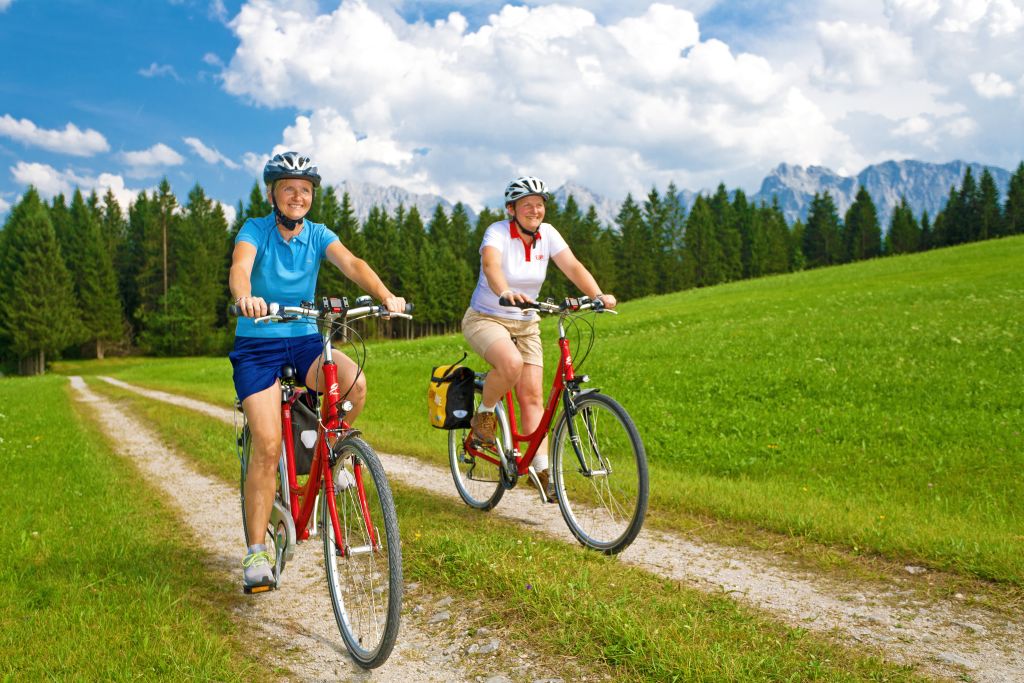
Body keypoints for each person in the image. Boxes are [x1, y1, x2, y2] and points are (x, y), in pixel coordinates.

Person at [229, 151, 405, 592]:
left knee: (353, 383)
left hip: (306, 339)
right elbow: (241, 267)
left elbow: (353, 264)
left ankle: (333, 454)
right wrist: (246, 296)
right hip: (258, 344)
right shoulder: (255, 229)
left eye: (304, 190)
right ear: (272, 193)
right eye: (288, 188)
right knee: (268, 445)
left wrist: (386, 295)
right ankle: (255, 553)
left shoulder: (318, 235)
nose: (297, 196)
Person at [462, 175, 617, 502]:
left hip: (526, 320)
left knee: (532, 396)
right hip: (487, 317)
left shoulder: (548, 235)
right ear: (511, 209)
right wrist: (504, 290)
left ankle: (542, 469)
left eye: (540, 204)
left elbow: (572, 266)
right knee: (510, 364)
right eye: (527, 204)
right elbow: (491, 266)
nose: (535, 209)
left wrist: (598, 295)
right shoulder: (497, 232)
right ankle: (483, 417)